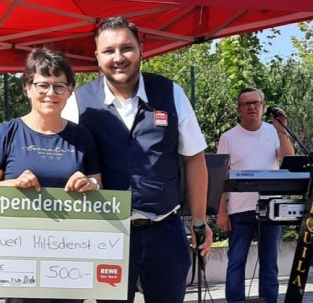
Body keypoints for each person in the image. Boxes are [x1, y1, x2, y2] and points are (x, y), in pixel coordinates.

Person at [62, 16, 212, 303]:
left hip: (165, 231)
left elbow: (194, 158)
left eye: (126, 48)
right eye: (108, 51)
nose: (118, 58)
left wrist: (200, 219)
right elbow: (59, 159)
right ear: (97, 56)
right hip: (107, 235)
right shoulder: (77, 103)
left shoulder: (171, 94)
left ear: (141, 49)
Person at [0, 47, 102, 303]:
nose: (50, 93)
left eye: (59, 86)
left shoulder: (82, 137)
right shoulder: (6, 133)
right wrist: (12, 184)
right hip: (21, 262)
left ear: (70, 90)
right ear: (27, 88)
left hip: (69, 262)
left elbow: (99, 189)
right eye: (42, 85)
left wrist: (90, 184)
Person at [216, 88, 295, 303]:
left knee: (269, 263)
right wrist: (222, 212)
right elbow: (221, 178)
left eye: (256, 103)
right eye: (246, 104)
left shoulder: (274, 132)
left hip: (271, 208)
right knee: (236, 261)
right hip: (240, 209)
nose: (252, 107)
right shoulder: (228, 137)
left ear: (262, 106)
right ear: (239, 110)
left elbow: (289, 159)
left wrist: (282, 130)